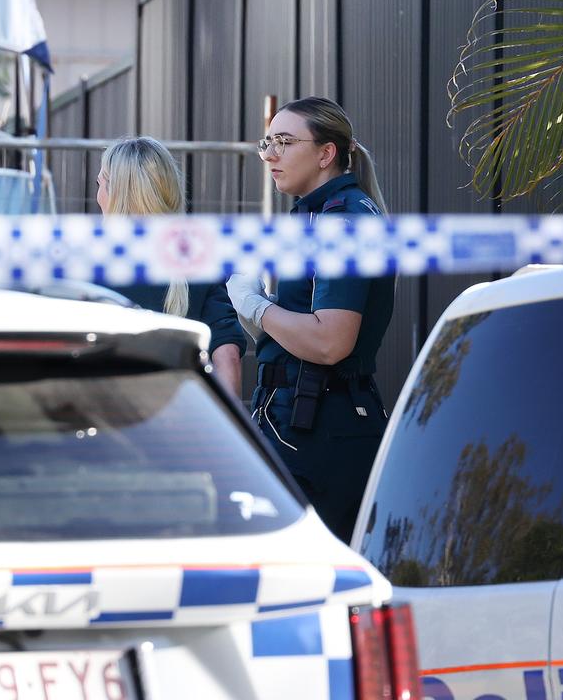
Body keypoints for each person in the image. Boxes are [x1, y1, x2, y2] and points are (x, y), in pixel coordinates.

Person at [226, 97, 395, 543]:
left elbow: (330, 342)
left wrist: (258, 307)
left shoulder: (341, 221)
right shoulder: (319, 215)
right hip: (305, 419)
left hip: (318, 426)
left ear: (326, 154)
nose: (270, 155)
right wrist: (264, 320)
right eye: (268, 142)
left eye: (284, 142)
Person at [97, 136, 244, 393]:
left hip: (106, 419)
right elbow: (227, 357)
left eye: (99, 184)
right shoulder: (200, 261)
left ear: (115, 192)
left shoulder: (86, 262)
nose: (97, 195)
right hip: (178, 420)